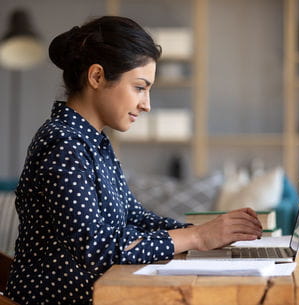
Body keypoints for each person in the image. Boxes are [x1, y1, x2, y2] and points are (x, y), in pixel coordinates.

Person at [5, 16, 262, 305]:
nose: (147, 104)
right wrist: (198, 239)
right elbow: (98, 250)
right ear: (97, 77)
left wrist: (205, 232)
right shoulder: (62, 143)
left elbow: (133, 217)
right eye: (140, 87)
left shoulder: (94, 142)